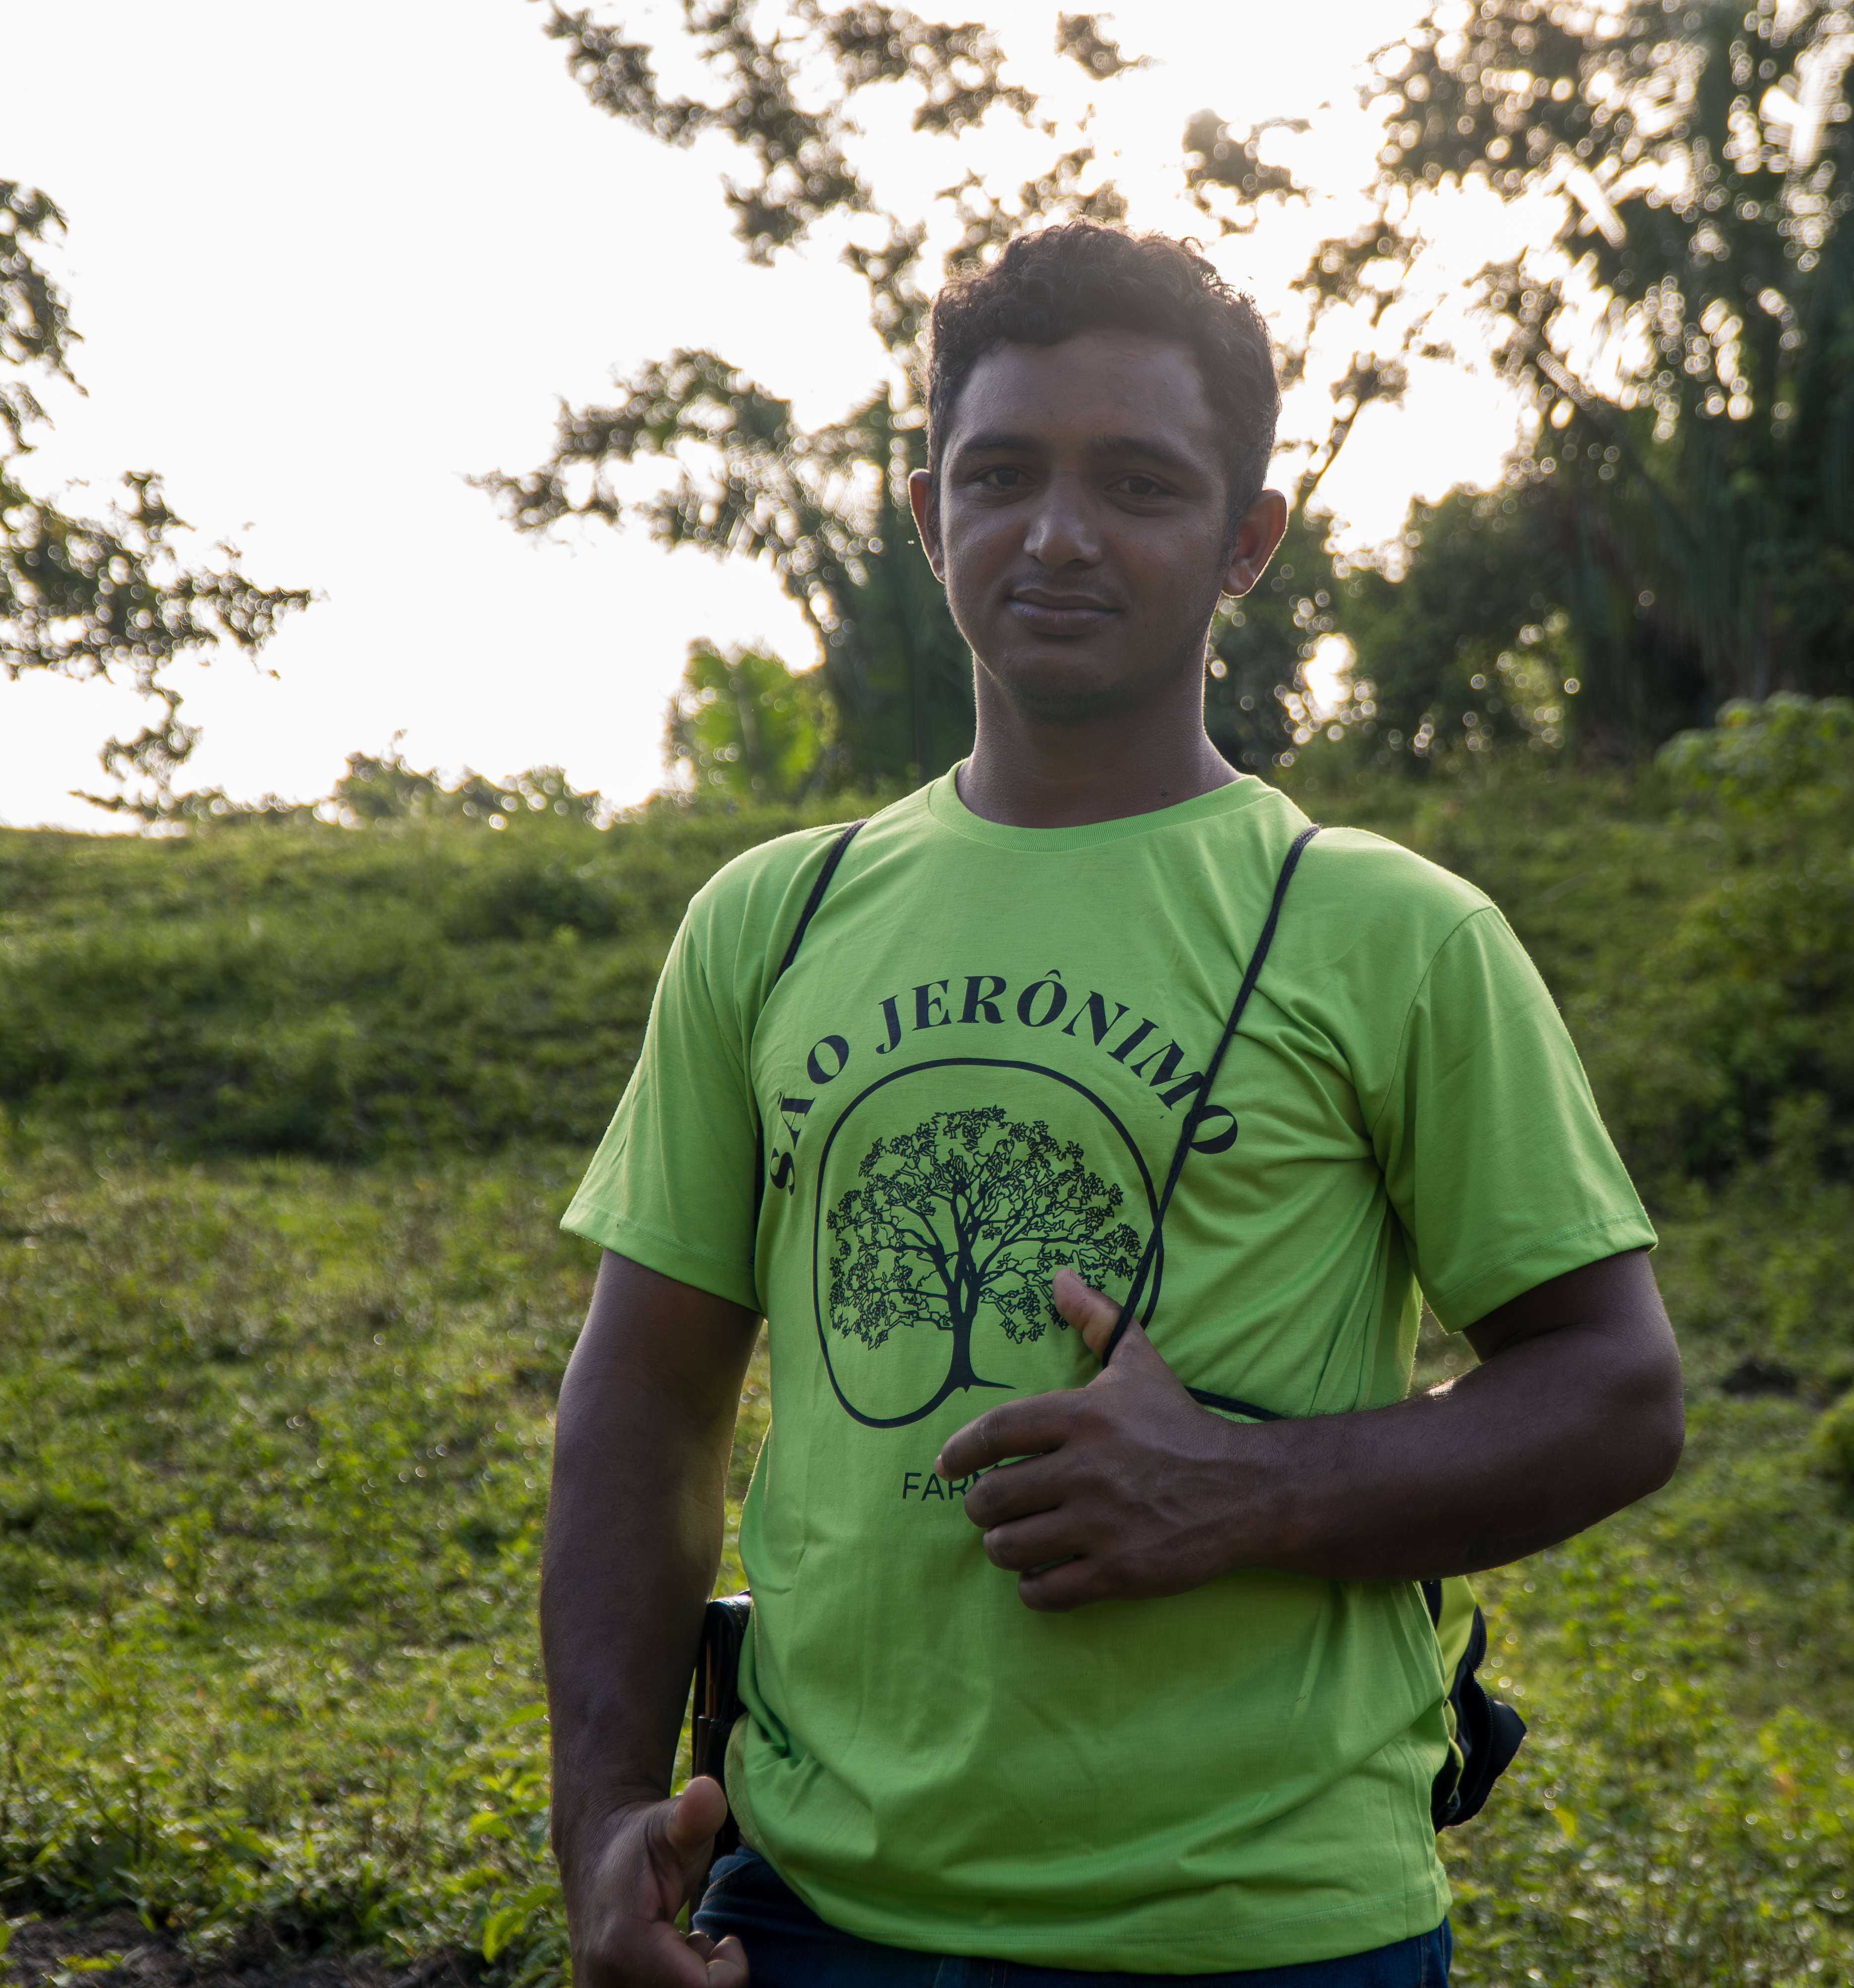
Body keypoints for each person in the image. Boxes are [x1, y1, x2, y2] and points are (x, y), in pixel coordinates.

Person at [544, 221, 1684, 1988]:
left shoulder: (1391, 932)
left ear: (1249, 541)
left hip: (1267, 1930)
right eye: (1002, 475)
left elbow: (1615, 1391)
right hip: (800, 1911)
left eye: (1139, 482)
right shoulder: (774, 920)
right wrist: (602, 1818)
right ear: (928, 515)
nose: (1058, 534)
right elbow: (647, 1392)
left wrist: (1240, 1489)